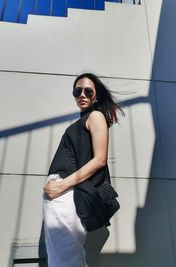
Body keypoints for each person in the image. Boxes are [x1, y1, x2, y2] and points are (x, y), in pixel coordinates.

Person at [43, 73, 124, 267]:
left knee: (65, 261)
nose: (82, 94)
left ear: (96, 96)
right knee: (64, 259)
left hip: (65, 192)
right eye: (77, 91)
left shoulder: (95, 116)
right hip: (62, 193)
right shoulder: (85, 119)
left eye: (88, 91)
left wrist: (61, 185)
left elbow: (99, 160)